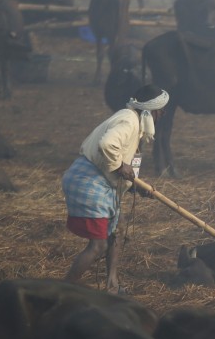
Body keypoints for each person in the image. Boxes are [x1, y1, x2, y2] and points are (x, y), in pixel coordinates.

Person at [61, 84, 169, 293]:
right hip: (89, 181)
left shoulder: (134, 123)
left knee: (118, 231)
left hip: (102, 182)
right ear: (151, 110)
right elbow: (107, 145)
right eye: (161, 109)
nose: (163, 114)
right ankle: (62, 291)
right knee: (98, 246)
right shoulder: (128, 120)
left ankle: (112, 285)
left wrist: (136, 188)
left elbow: (123, 165)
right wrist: (120, 166)